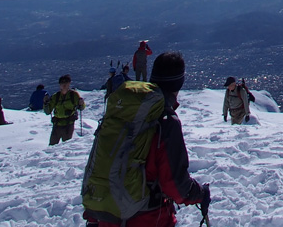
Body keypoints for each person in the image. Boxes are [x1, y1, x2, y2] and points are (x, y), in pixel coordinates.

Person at [83, 50, 207, 227]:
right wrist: (199, 193)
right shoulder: (165, 120)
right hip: (146, 218)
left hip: (108, 215)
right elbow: (174, 184)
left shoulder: (126, 110)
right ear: (178, 83)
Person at [43, 74, 86, 144]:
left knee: (64, 145)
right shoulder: (56, 96)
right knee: (55, 146)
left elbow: (81, 108)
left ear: (69, 84)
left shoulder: (73, 95)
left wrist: (81, 104)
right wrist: (45, 103)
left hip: (67, 124)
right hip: (58, 124)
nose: (64, 85)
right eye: (62, 83)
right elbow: (48, 111)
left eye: (66, 83)